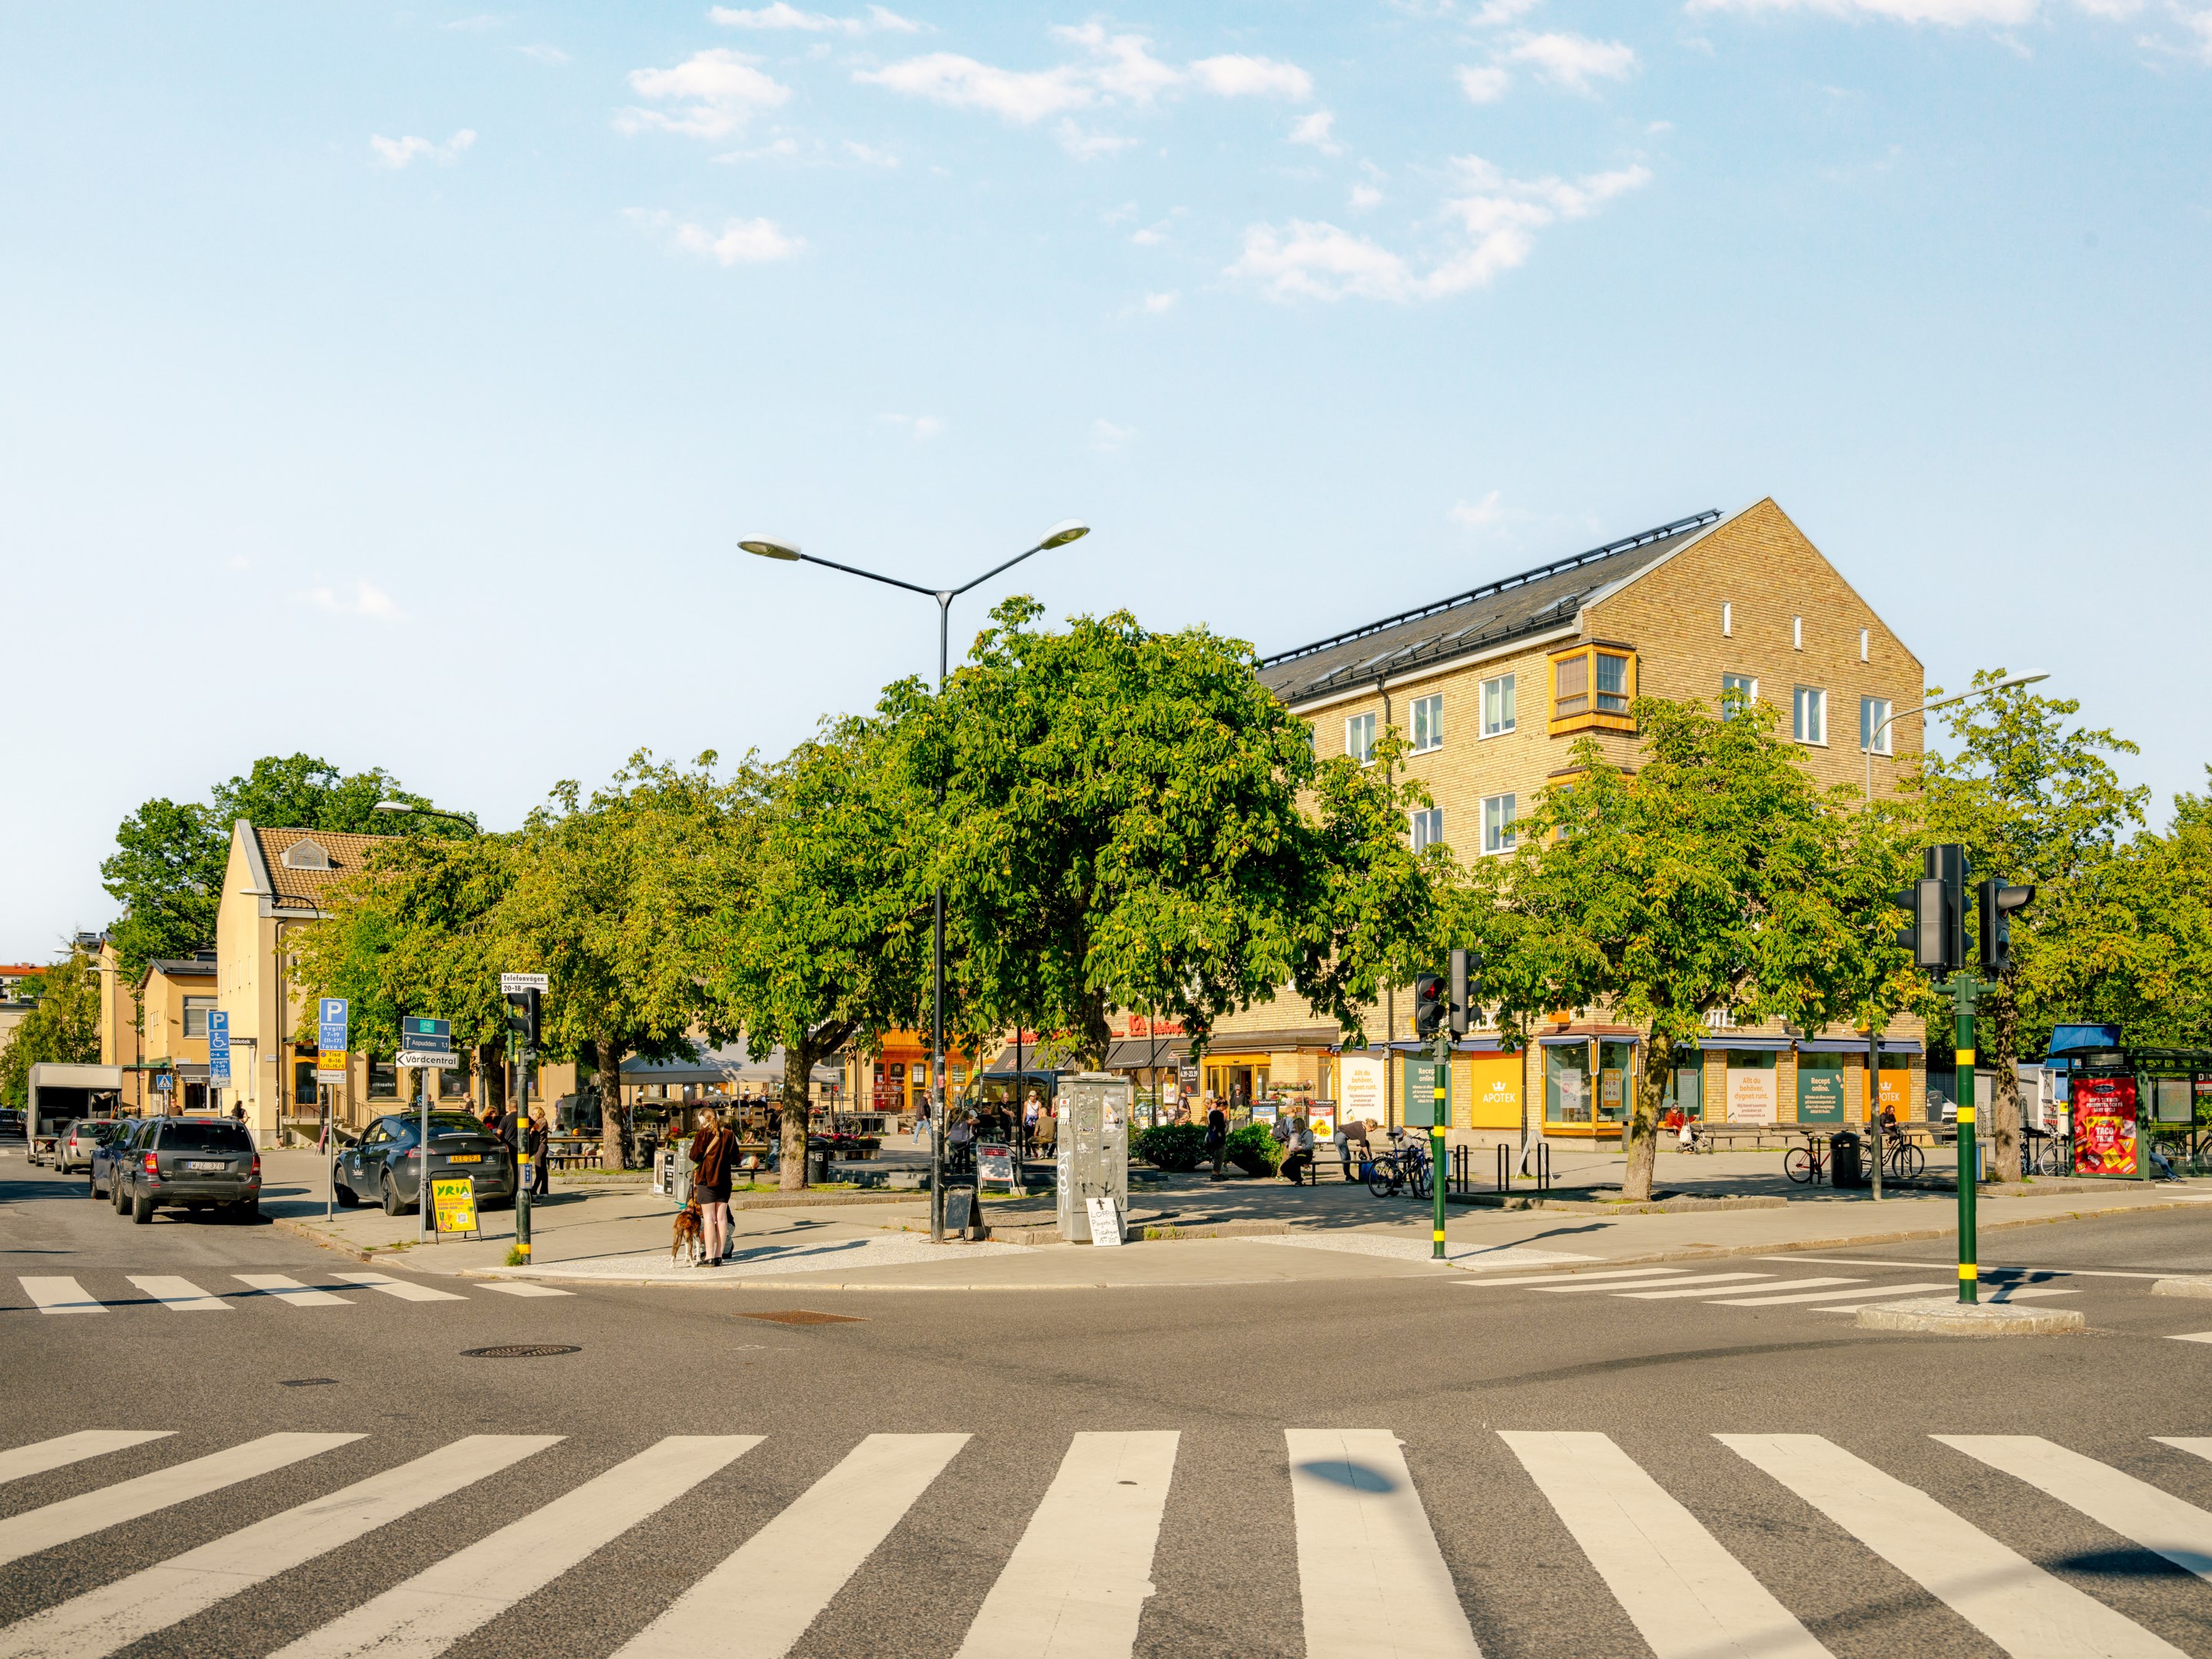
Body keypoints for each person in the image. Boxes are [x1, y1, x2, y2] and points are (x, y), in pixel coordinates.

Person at [687, 1107, 734, 1266]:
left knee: (709, 1219)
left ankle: (709, 1256)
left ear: (702, 1120)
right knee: (722, 1218)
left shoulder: (703, 1134)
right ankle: (719, 1255)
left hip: (706, 1180)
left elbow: (693, 1155)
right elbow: (735, 1157)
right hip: (724, 1181)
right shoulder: (729, 1134)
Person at [1281, 1116, 1315, 1185]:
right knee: (1284, 1167)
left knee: (1295, 1163)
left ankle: (1299, 1181)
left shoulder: (1308, 1133)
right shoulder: (1298, 1133)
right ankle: (1296, 1179)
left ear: (1299, 1126)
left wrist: (1301, 1148)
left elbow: (1310, 1145)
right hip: (1298, 1153)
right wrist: (1288, 1140)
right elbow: (1295, 1144)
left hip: (1306, 1154)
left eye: (1295, 1127)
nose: (1294, 1129)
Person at [528, 1108, 550, 1198]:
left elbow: (534, 1129)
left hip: (541, 1145)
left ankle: (534, 1189)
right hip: (541, 1145)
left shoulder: (542, 1121)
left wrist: (530, 1128)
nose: (532, 1116)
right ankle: (544, 1191)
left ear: (538, 1114)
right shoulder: (540, 1121)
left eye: (533, 1114)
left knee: (539, 1167)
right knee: (543, 1170)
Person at [1205, 1101, 1228, 1181]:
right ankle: (1215, 1174)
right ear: (1222, 1105)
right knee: (1219, 1157)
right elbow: (1221, 1127)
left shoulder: (1212, 1113)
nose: (1225, 1109)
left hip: (1213, 1137)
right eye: (1225, 1107)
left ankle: (1218, 1173)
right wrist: (1226, 1123)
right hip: (1219, 1138)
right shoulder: (1220, 1114)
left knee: (1217, 1156)